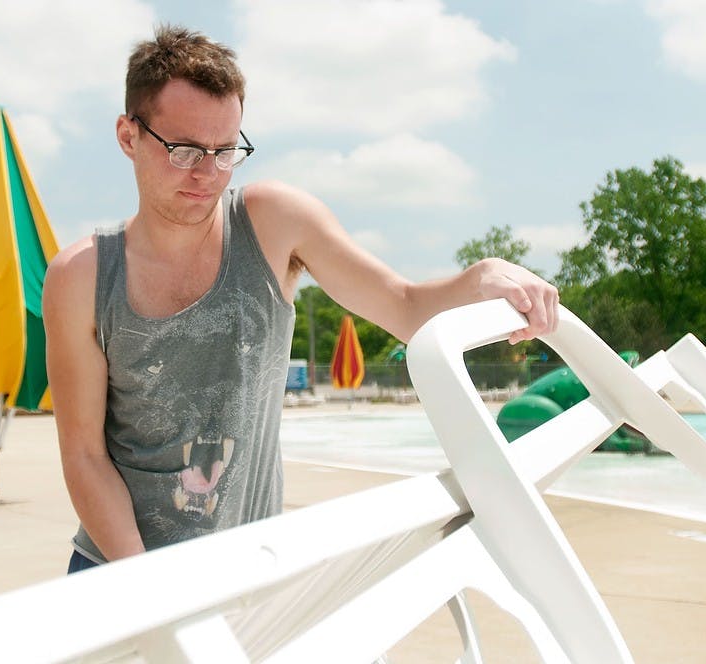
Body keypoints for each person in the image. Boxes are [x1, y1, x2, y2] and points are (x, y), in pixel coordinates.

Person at [42, 25, 559, 573]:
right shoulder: (82, 277)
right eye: (185, 150)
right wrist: (150, 590)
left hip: (249, 569)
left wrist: (481, 277)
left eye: (225, 151)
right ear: (128, 136)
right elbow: (85, 456)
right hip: (116, 572)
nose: (207, 175)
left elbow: (405, 306)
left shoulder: (272, 223)